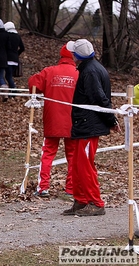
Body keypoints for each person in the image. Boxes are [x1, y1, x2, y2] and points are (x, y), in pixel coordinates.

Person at [62, 39, 121, 216]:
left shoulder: (90, 72)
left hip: (89, 125)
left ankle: (96, 202)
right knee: (79, 165)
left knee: (85, 166)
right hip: (85, 124)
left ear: (78, 56)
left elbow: (99, 98)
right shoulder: (91, 68)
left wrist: (111, 120)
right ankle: (81, 200)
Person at [28, 44, 79, 197]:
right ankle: (71, 188)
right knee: (72, 155)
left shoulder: (49, 71)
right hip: (72, 120)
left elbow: (33, 84)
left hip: (52, 120)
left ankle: (43, 187)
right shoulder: (78, 73)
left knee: (48, 153)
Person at [4, 21, 25, 97]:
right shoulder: (17, 36)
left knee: (8, 76)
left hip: (7, 59)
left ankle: (14, 91)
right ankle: (11, 91)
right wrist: (17, 54)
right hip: (15, 60)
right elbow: (22, 48)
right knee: (9, 76)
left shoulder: (7, 36)